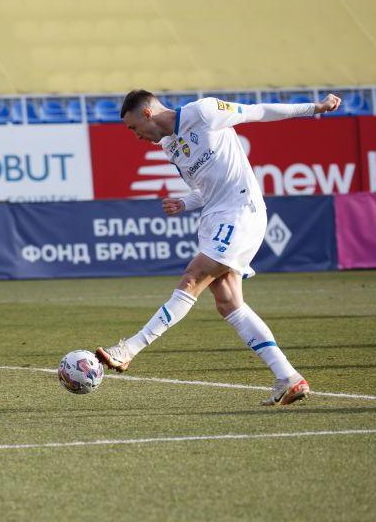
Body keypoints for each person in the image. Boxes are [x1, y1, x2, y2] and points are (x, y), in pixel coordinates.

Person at [96, 90, 342, 406]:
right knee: (227, 301)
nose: (136, 136)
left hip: (240, 210)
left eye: (132, 128)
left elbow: (260, 111)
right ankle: (288, 378)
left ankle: (128, 349)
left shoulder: (204, 112)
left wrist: (315, 108)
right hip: (214, 217)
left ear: (147, 113)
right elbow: (205, 189)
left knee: (193, 277)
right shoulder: (171, 148)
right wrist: (185, 202)